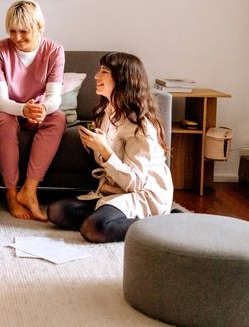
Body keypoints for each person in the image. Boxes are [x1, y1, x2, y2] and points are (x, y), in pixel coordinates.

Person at [47, 52, 173, 243]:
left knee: (94, 229)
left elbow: (135, 183)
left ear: (122, 79)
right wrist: (93, 145)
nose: (96, 76)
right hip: (114, 191)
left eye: (104, 71)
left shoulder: (141, 127)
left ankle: (163, 222)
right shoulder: (107, 111)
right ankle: (106, 218)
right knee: (56, 211)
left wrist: (104, 150)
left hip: (142, 194)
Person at [0, 0, 66, 221]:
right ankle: (11, 195)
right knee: (7, 121)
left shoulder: (55, 52)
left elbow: (54, 97)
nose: (17, 37)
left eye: (24, 31)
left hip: (34, 110)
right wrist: (23, 109)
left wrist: (42, 109)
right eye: (12, 31)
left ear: (40, 27)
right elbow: (0, 101)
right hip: (2, 111)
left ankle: (29, 191)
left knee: (57, 118)